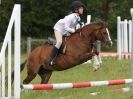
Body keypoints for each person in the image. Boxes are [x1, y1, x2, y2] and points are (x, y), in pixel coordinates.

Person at [49, 0, 85, 66]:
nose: (82, 9)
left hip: (66, 31)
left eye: (82, 8)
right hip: (59, 30)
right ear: (76, 10)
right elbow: (66, 27)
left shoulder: (78, 17)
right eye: (81, 8)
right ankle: (51, 59)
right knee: (59, 42)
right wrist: (74, 31)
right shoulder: (70, 17)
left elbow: (80, 25)